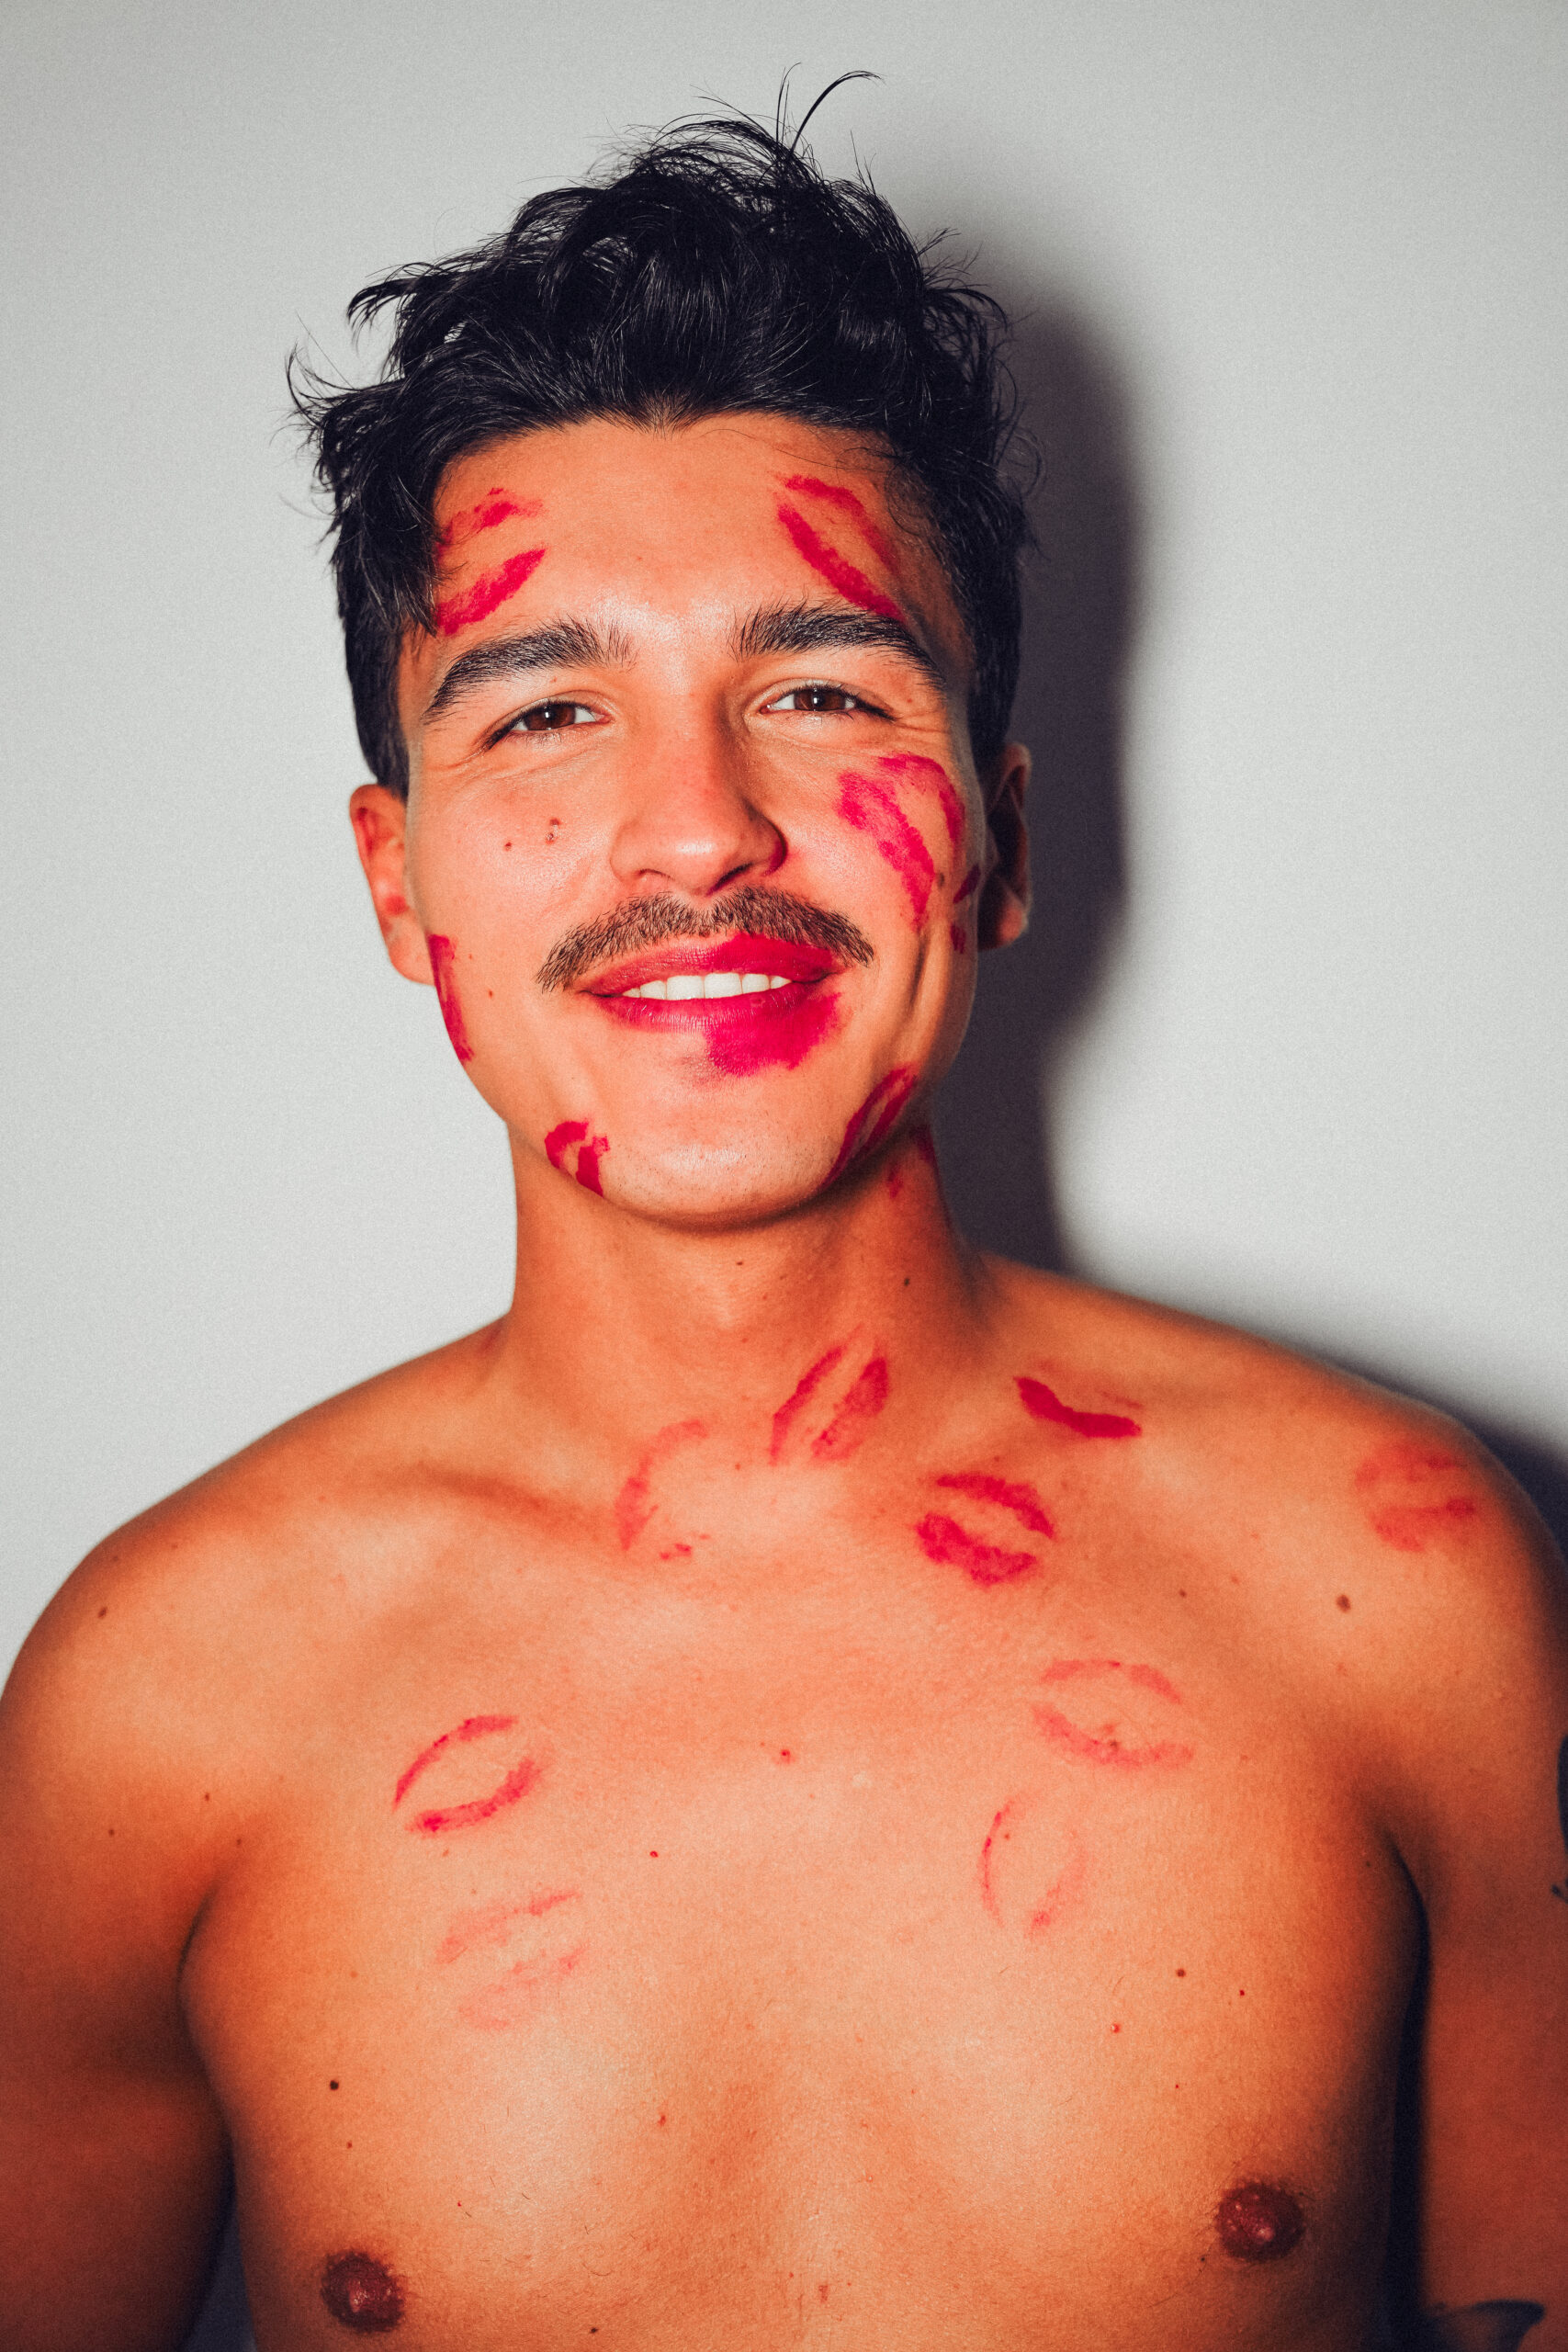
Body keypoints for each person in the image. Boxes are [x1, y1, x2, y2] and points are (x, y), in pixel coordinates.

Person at [1, 111, 1563, 2352]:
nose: (695, 828)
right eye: (547, 711)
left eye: (817, 690)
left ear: (997, 840)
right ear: (396, 882)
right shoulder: (158, 1695)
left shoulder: (1400, 1588)